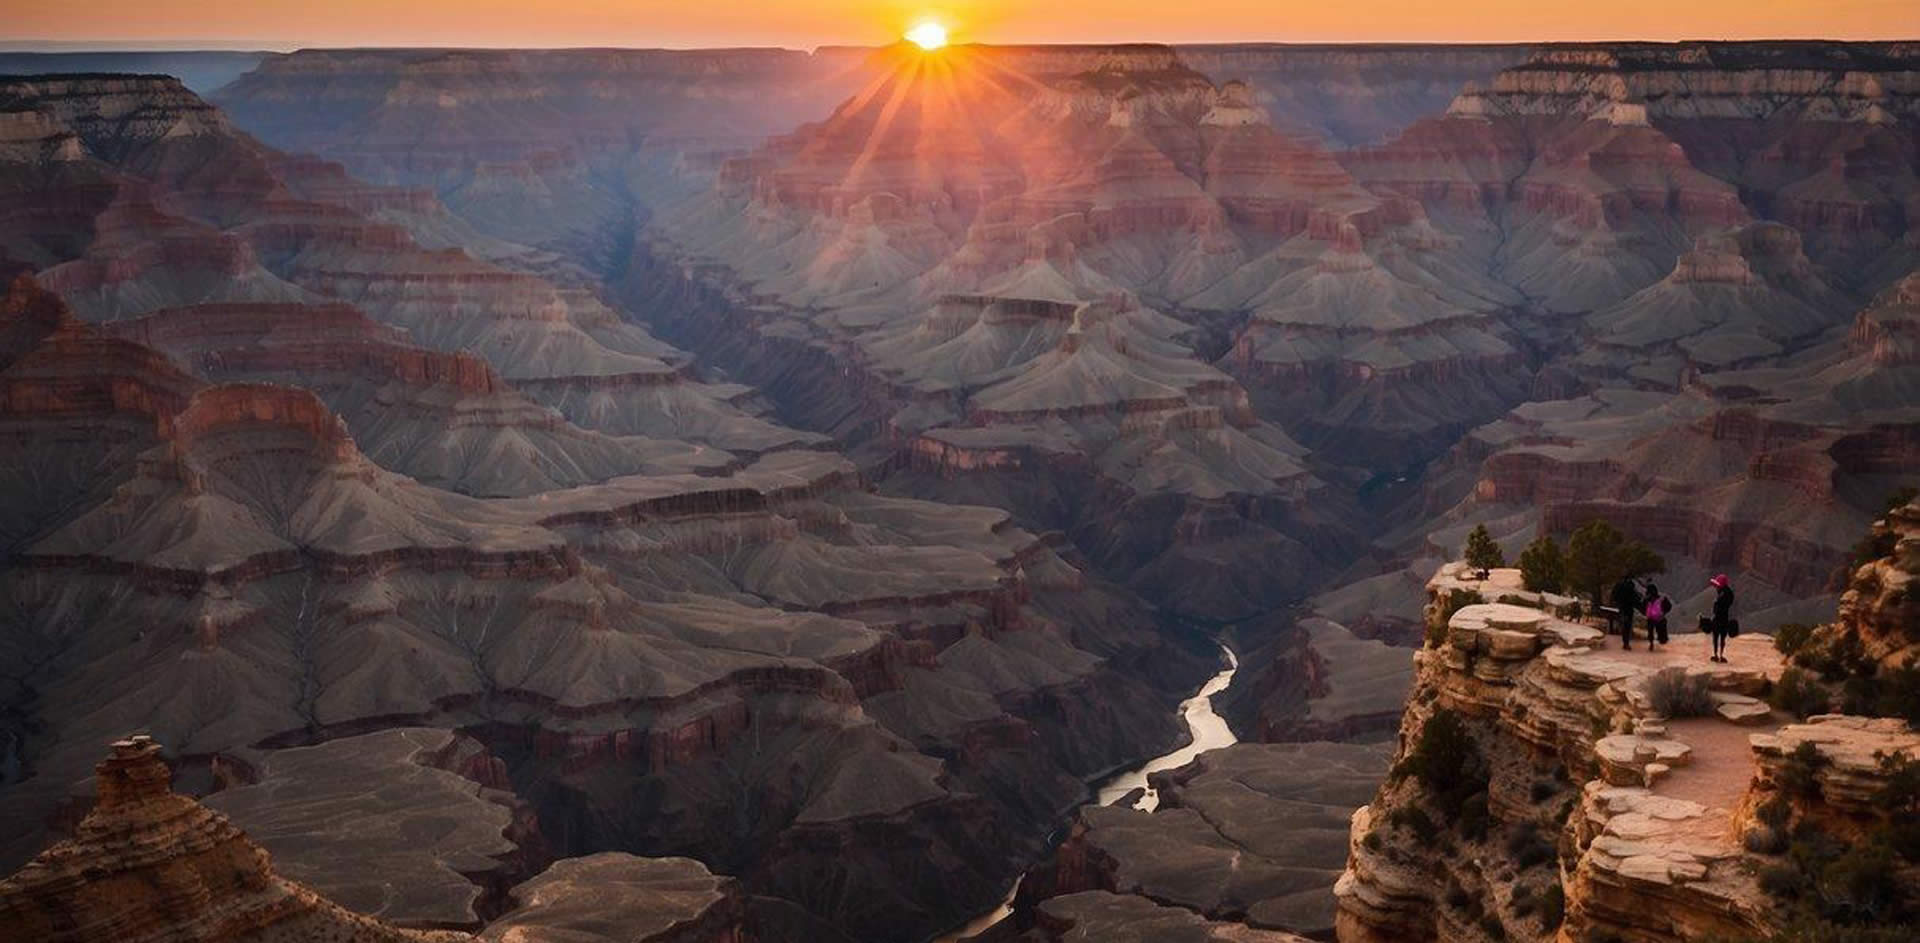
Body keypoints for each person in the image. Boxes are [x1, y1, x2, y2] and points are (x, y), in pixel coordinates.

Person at [1708, 573, 1736, 663]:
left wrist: (1715, 605)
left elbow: (1716, 608)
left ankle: (1716, 655)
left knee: (1716, 637)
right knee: (1722, 638)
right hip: (1725, 618)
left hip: (1718, 619)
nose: (1716, 587)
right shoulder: (1729, 593)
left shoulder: (1721, 595)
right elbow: (1730, 602)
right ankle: (1721, 655)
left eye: (1717, 585)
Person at [1611, 575, 1642, 650]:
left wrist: (1616, 603)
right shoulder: (1630, 586)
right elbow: (1635, 597)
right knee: (1627, 625)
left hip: (1621, 607)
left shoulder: (1618, 585)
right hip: (1629, 608)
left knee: (1624, 623)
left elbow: (1613, 595)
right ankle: (1626, 643)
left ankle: (1625, 641)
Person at [1643, 581, 1671, 648]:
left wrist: (1646, 614)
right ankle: (1662, 639)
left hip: (1650, 618)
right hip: (1659, 617)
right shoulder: (1661, 598)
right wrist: (1664, 613)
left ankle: (1651, 642)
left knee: (1650, 630)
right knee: (1661, 629)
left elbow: (1643, 606)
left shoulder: (1647, 599)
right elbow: (1669, 606)